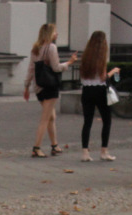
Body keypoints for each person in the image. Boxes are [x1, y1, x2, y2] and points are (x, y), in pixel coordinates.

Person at [24, 23, 78, 157]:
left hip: (38, 87)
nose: (57, 34)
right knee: (45, 118)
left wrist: (26, 86)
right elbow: (56, 68)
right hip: (50, 86)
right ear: (49, 34)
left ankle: (55, 145)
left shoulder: (35, 48)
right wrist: (70, 62)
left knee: (51, 116)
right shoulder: (52, 48)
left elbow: (31, 68)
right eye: (55, 32)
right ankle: (36, 148)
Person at [77, 31, 120, 162]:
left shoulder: (85, 57)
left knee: (87, 122)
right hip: (100, 91)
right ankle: (104, 151)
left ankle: (85, 152)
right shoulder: (101, 57)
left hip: (87, 91)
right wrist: (114, 71)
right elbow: (103, 77)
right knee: (107, 120)